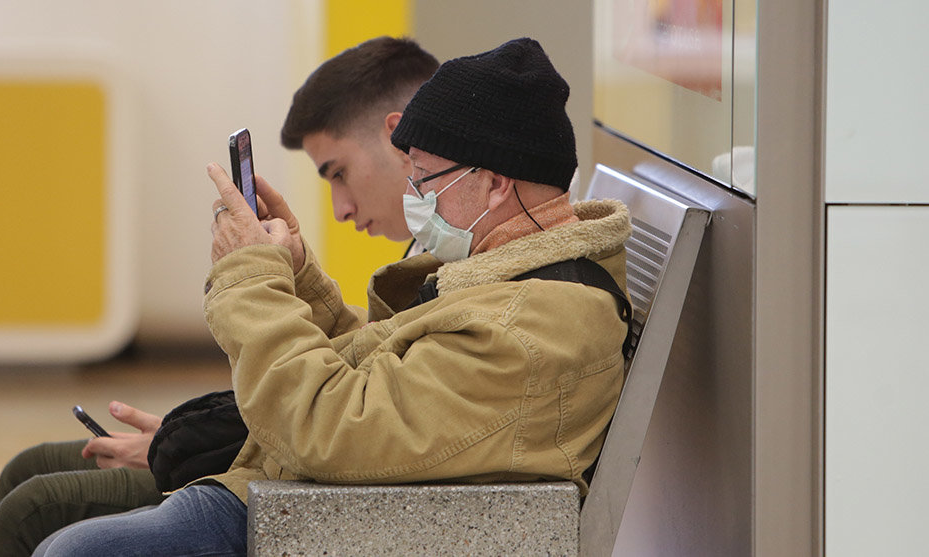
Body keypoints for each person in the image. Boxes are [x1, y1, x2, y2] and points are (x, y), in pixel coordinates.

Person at [34, 37, 632, 556]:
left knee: (68, 543)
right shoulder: (515, 283)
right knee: (45, 509)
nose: (414, 197)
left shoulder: (530, 327)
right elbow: (389, 388)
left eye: (425, 179)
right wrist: (296, 274)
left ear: (497, 184)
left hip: (335, 517)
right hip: (320, 497)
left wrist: (249, 276)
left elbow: (326, 425)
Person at [0, 36, 439, 557]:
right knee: (31, 479)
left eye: (338, 173)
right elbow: (362, 372)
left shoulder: (481, 271)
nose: (339, 208)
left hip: (308, 483)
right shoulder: (430, 251)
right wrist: (297, 274)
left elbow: (350, 421)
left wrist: (249, 276)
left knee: (43, 514)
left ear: (399, 136)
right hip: (287, 459)